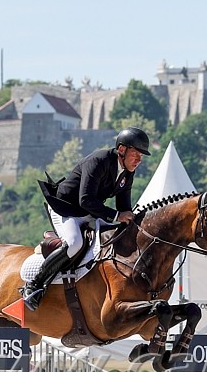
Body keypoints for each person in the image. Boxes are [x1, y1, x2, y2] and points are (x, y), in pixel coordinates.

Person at [22, 127, 151, 310]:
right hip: (65, 208)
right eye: (136, 154)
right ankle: (34, 286)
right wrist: (116, 216)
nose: (139, 160)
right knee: (74, 243)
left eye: (141, 156)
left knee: (114, 237)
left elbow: (124, 207)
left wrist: (135, 221)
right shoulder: (99, 160)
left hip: (89, 212)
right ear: (122, 149)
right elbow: (85, 199)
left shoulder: (127, 172)